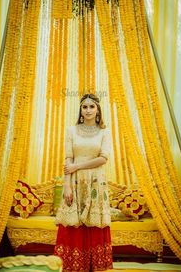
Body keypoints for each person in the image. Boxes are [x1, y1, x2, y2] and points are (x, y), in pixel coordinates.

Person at [54, 93, 113, 272]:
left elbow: (103, 158)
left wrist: (77, 166)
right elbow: (69, 158)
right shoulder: (71, 130)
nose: (88, 110)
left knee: (94, 223)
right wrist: (67, 185)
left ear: (98, 110)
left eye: (91, 106)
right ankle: (73, 266)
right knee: (73, 223)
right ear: (80, 110)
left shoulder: (104, 131)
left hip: (95, 182)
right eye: (84, 107)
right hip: (75, 182)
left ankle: (94, 266)